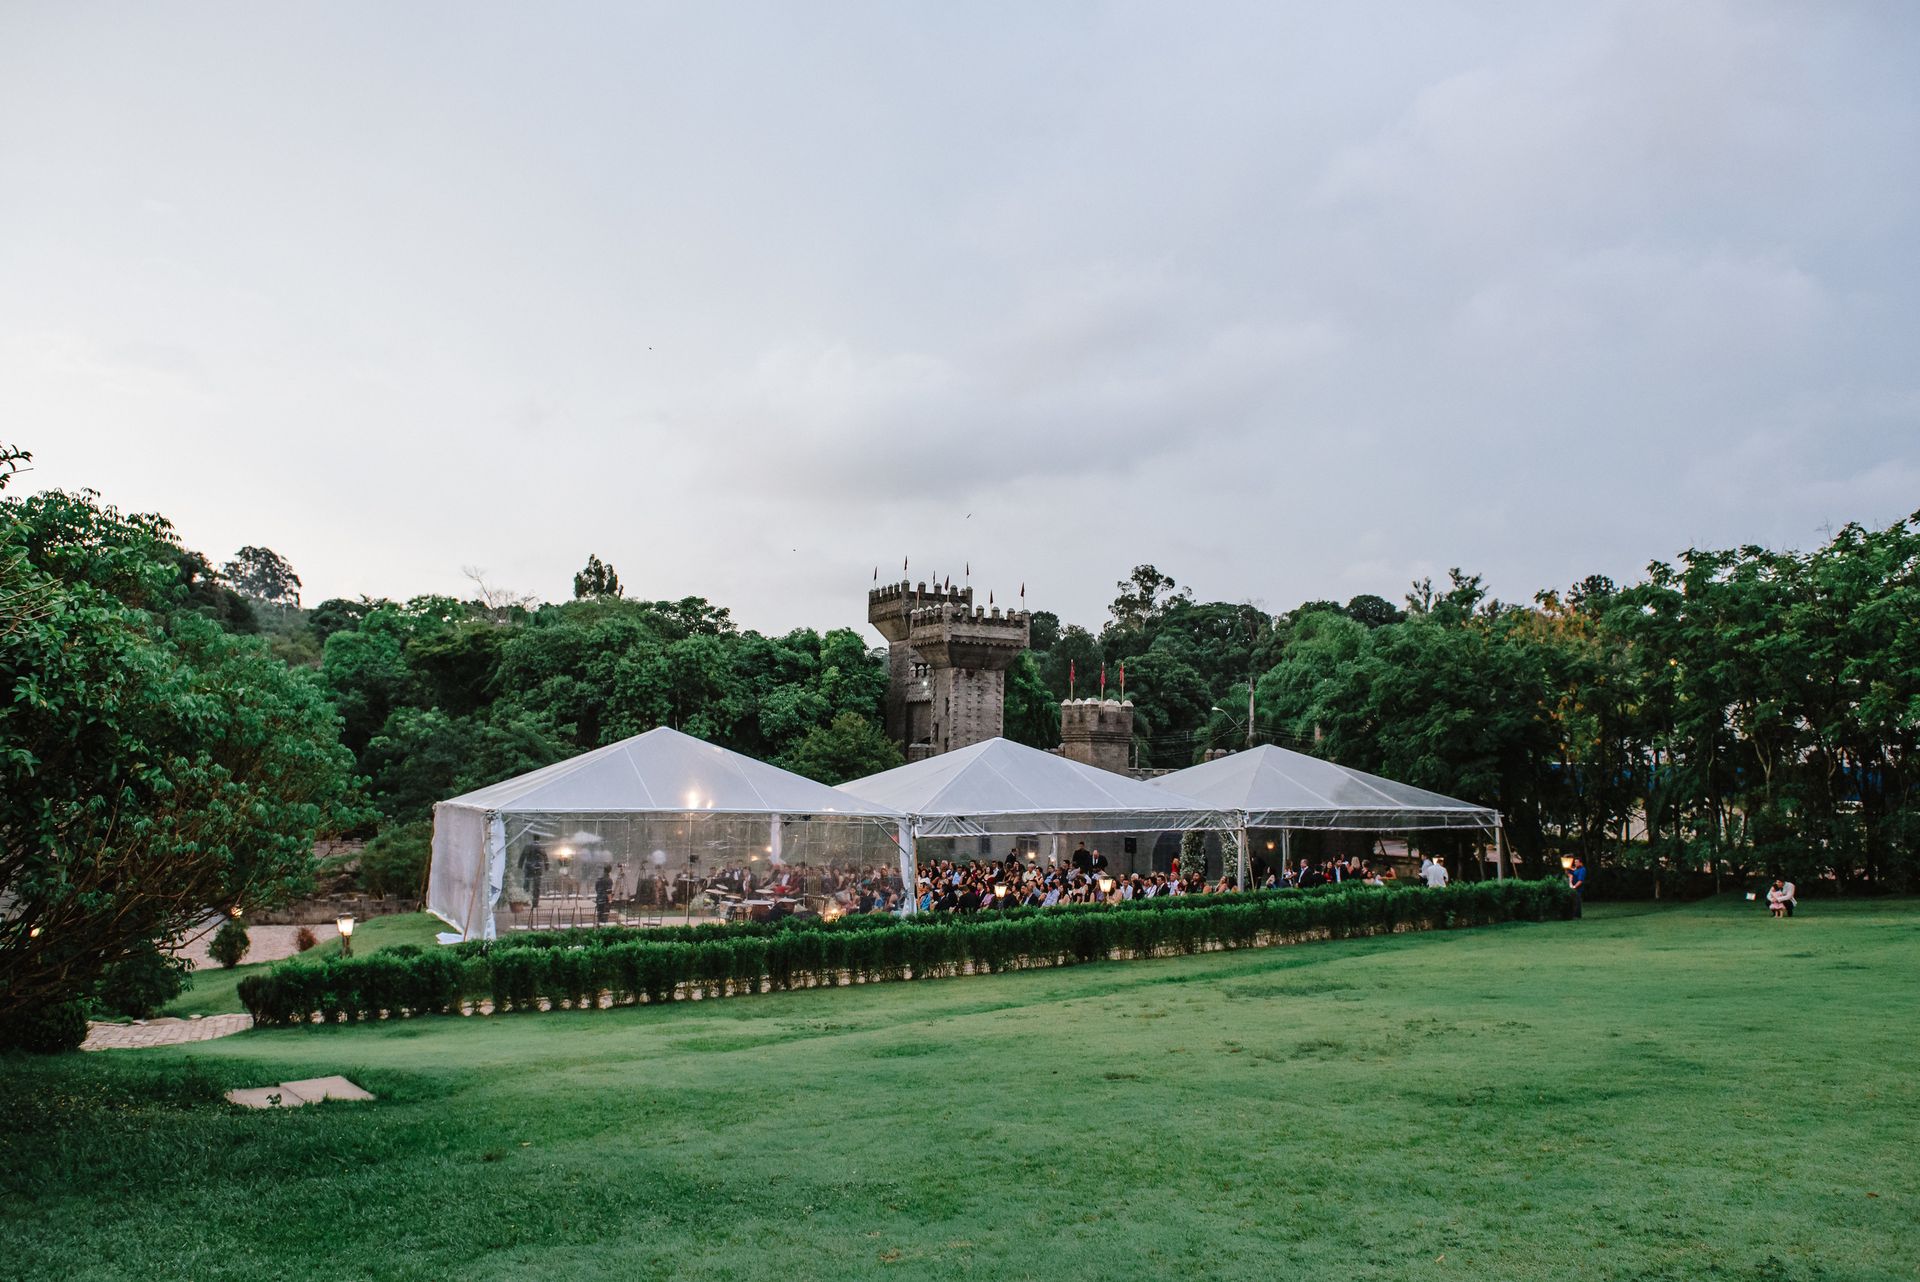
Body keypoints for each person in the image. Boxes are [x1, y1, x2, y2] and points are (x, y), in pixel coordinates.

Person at [520, 840, 549, 909]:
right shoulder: (540, 847)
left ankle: (526, 901)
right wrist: (546, 866)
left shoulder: (528, 847)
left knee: (527, 885)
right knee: (536, 887)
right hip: (537, 869)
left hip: (529, 868)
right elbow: (545, 857)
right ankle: (534, 903)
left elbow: (522, 856)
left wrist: (520, 865)